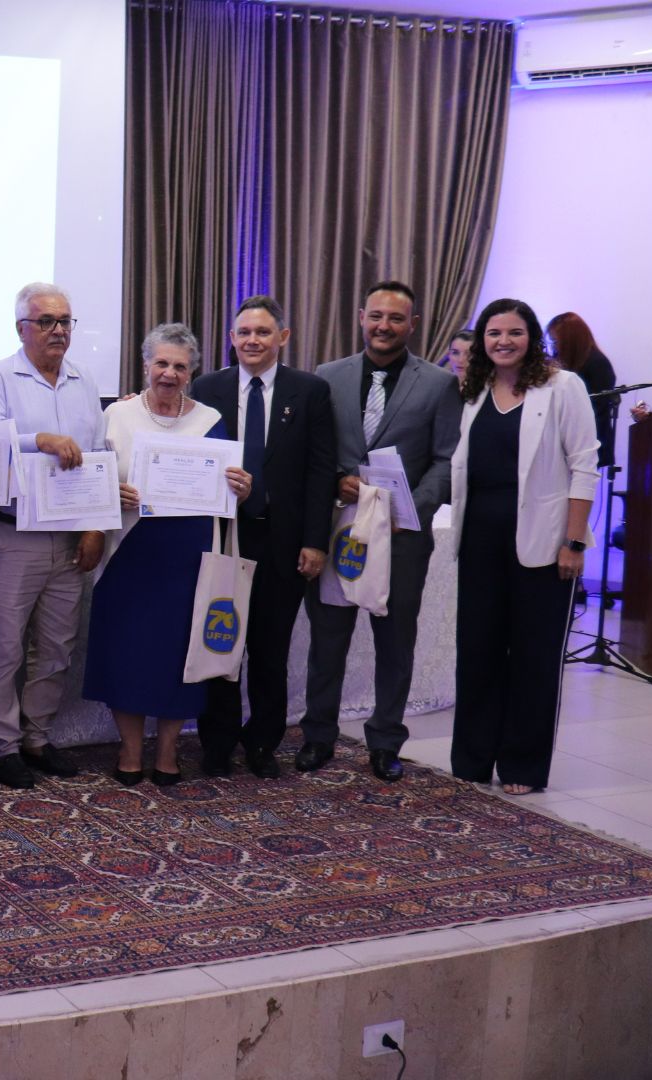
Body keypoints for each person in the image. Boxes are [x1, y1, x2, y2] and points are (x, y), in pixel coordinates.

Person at [299, 281, 461, 782]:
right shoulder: (328, 377)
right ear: (360, 317)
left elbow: (446, 459)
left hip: (403, 534)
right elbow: (314, 451)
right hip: (338, 528)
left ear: (412, 324)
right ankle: (318, 736)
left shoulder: (437, 383)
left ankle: (386, 741)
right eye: (376, 316)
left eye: (395, 319)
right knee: (328, 641)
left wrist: (411, 504)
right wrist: (334, 481)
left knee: (395, 643)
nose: (384, 327)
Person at [87, 325, 251, 784]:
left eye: (179, 365)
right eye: (161, 363)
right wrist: (108, 491)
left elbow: (227, 487)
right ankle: (130, 749)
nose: (169, 373)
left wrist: (243, 487)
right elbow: (90, 477)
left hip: (188, 553)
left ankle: (168, 751)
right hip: (128, 551)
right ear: (145, 365)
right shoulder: (115, 416)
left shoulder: (210, 420)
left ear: (191, 371)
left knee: (179, 653)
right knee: (127, 650)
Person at [450, 299, 598, 794]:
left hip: (544, 542)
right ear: (482, 341)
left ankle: (522, 766)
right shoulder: (475, 391)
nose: (503, 342)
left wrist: (574, 541)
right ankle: (472, 759)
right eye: (493, 334)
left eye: (514, 333)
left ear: (532, 337)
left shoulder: (562, 387)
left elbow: (584, 465)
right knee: (478, 652)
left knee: (533, 657)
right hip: (479, 542)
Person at [0, 282, 103, 789]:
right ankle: (2, 746)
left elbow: (99, 456)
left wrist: (94, 527)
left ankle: (37, 738)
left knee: (57, 646)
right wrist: (36, 439)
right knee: (3, 647)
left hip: (69, 537)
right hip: (11, 535)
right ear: (21, 327)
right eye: (46, 322)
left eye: (65, 321)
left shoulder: (85, 381)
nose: (58, 331)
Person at [191, 298, 336, 779]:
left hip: (282, 541)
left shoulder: (310, 391)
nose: (252, 340)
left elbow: (320, 473)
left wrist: (316, 542)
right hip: (223, 537)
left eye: (262, 332)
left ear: (283, 337)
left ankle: (262, 743)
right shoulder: (206, 388)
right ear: (231, 338)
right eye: (243, 332)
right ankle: (216, 742)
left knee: (270, 652)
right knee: (221, 642)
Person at [547, 312, 618, 469]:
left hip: (585, 445)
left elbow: (596, 410)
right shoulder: (568, 363)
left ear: (569, 340)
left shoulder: (596, 363)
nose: (554, 347)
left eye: (556, 341)